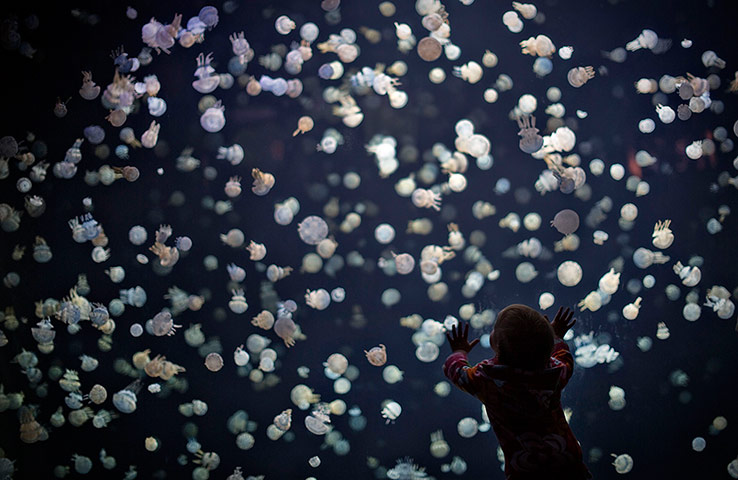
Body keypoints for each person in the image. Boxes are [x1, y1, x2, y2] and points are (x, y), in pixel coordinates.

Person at [443, 305, 592, 480]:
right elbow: (565, 357)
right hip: (567, 462)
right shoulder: (555, 372)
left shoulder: (487, 378)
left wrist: (459, 352)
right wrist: (557, 337)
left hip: (525, 470)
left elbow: (456, 372)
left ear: (496, 343)